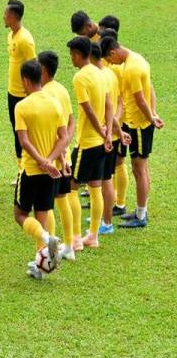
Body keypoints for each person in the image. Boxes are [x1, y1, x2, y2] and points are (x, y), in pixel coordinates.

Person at [100, 37, 164, 228]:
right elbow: (150, 88)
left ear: (112, 52)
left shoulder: (132, 69)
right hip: (134, 122)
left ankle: (141, 215)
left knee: (139, 169)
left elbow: (140, 100)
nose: (111, 64)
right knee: (140, 169)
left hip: (139, 125)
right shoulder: (137, 59)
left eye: (109, 60)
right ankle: (139, 211)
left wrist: (151, 118)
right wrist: (153, 113)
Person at [13, 60, 68, 279]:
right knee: (42, 218)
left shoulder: (22, 106)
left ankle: (47, 242)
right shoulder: (55, 103)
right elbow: (63, 137)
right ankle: (41, 267)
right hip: (50, 172)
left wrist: (40, 161)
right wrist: (50, 160)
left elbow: (24, 141)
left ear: (26, 80)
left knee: (20, 214)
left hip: (30, 170)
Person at [66, 36, 113, 249]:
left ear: (78, 54)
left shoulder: (80, 78)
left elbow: (87, 109)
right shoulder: (100, 73)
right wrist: (108, 133)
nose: (71, 59)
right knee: (95, 187)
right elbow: (109, 105)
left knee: (70, 188)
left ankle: (76, 238)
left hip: (87, 143)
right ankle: (93, 235)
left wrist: (101, 132)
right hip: (101, 142)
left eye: (72, 54)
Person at [39, 51, 76, 261]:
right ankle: (69, 246)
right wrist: (66, 149)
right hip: (63, 156)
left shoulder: (46, 94)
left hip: (52, 160)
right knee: (63, 200)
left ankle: (50, 252)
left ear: (43, 70)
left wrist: (59, 157)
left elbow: (54, 130)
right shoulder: (61, 89)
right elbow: (70, 122)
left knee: (48, 205)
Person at [90, 43, 131, 234]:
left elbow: (110, 110)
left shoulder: (100, 78)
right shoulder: (111, 74)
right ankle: (103, 216)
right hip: (110, 133)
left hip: (105, 135)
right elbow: (120, 102)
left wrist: (112, 130)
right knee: (102, 177)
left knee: (104, 179)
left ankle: (106, 222)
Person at [4, 0, 36, 176]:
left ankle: (28, 168)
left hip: (24, 95)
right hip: (12, 92)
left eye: (6, 14)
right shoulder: (11, 35)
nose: (3, 17)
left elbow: (34, 67)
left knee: (26, 133)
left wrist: (30, 92)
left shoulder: (25, 40)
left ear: (13, 17)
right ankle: (21, 170)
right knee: (17, 131)